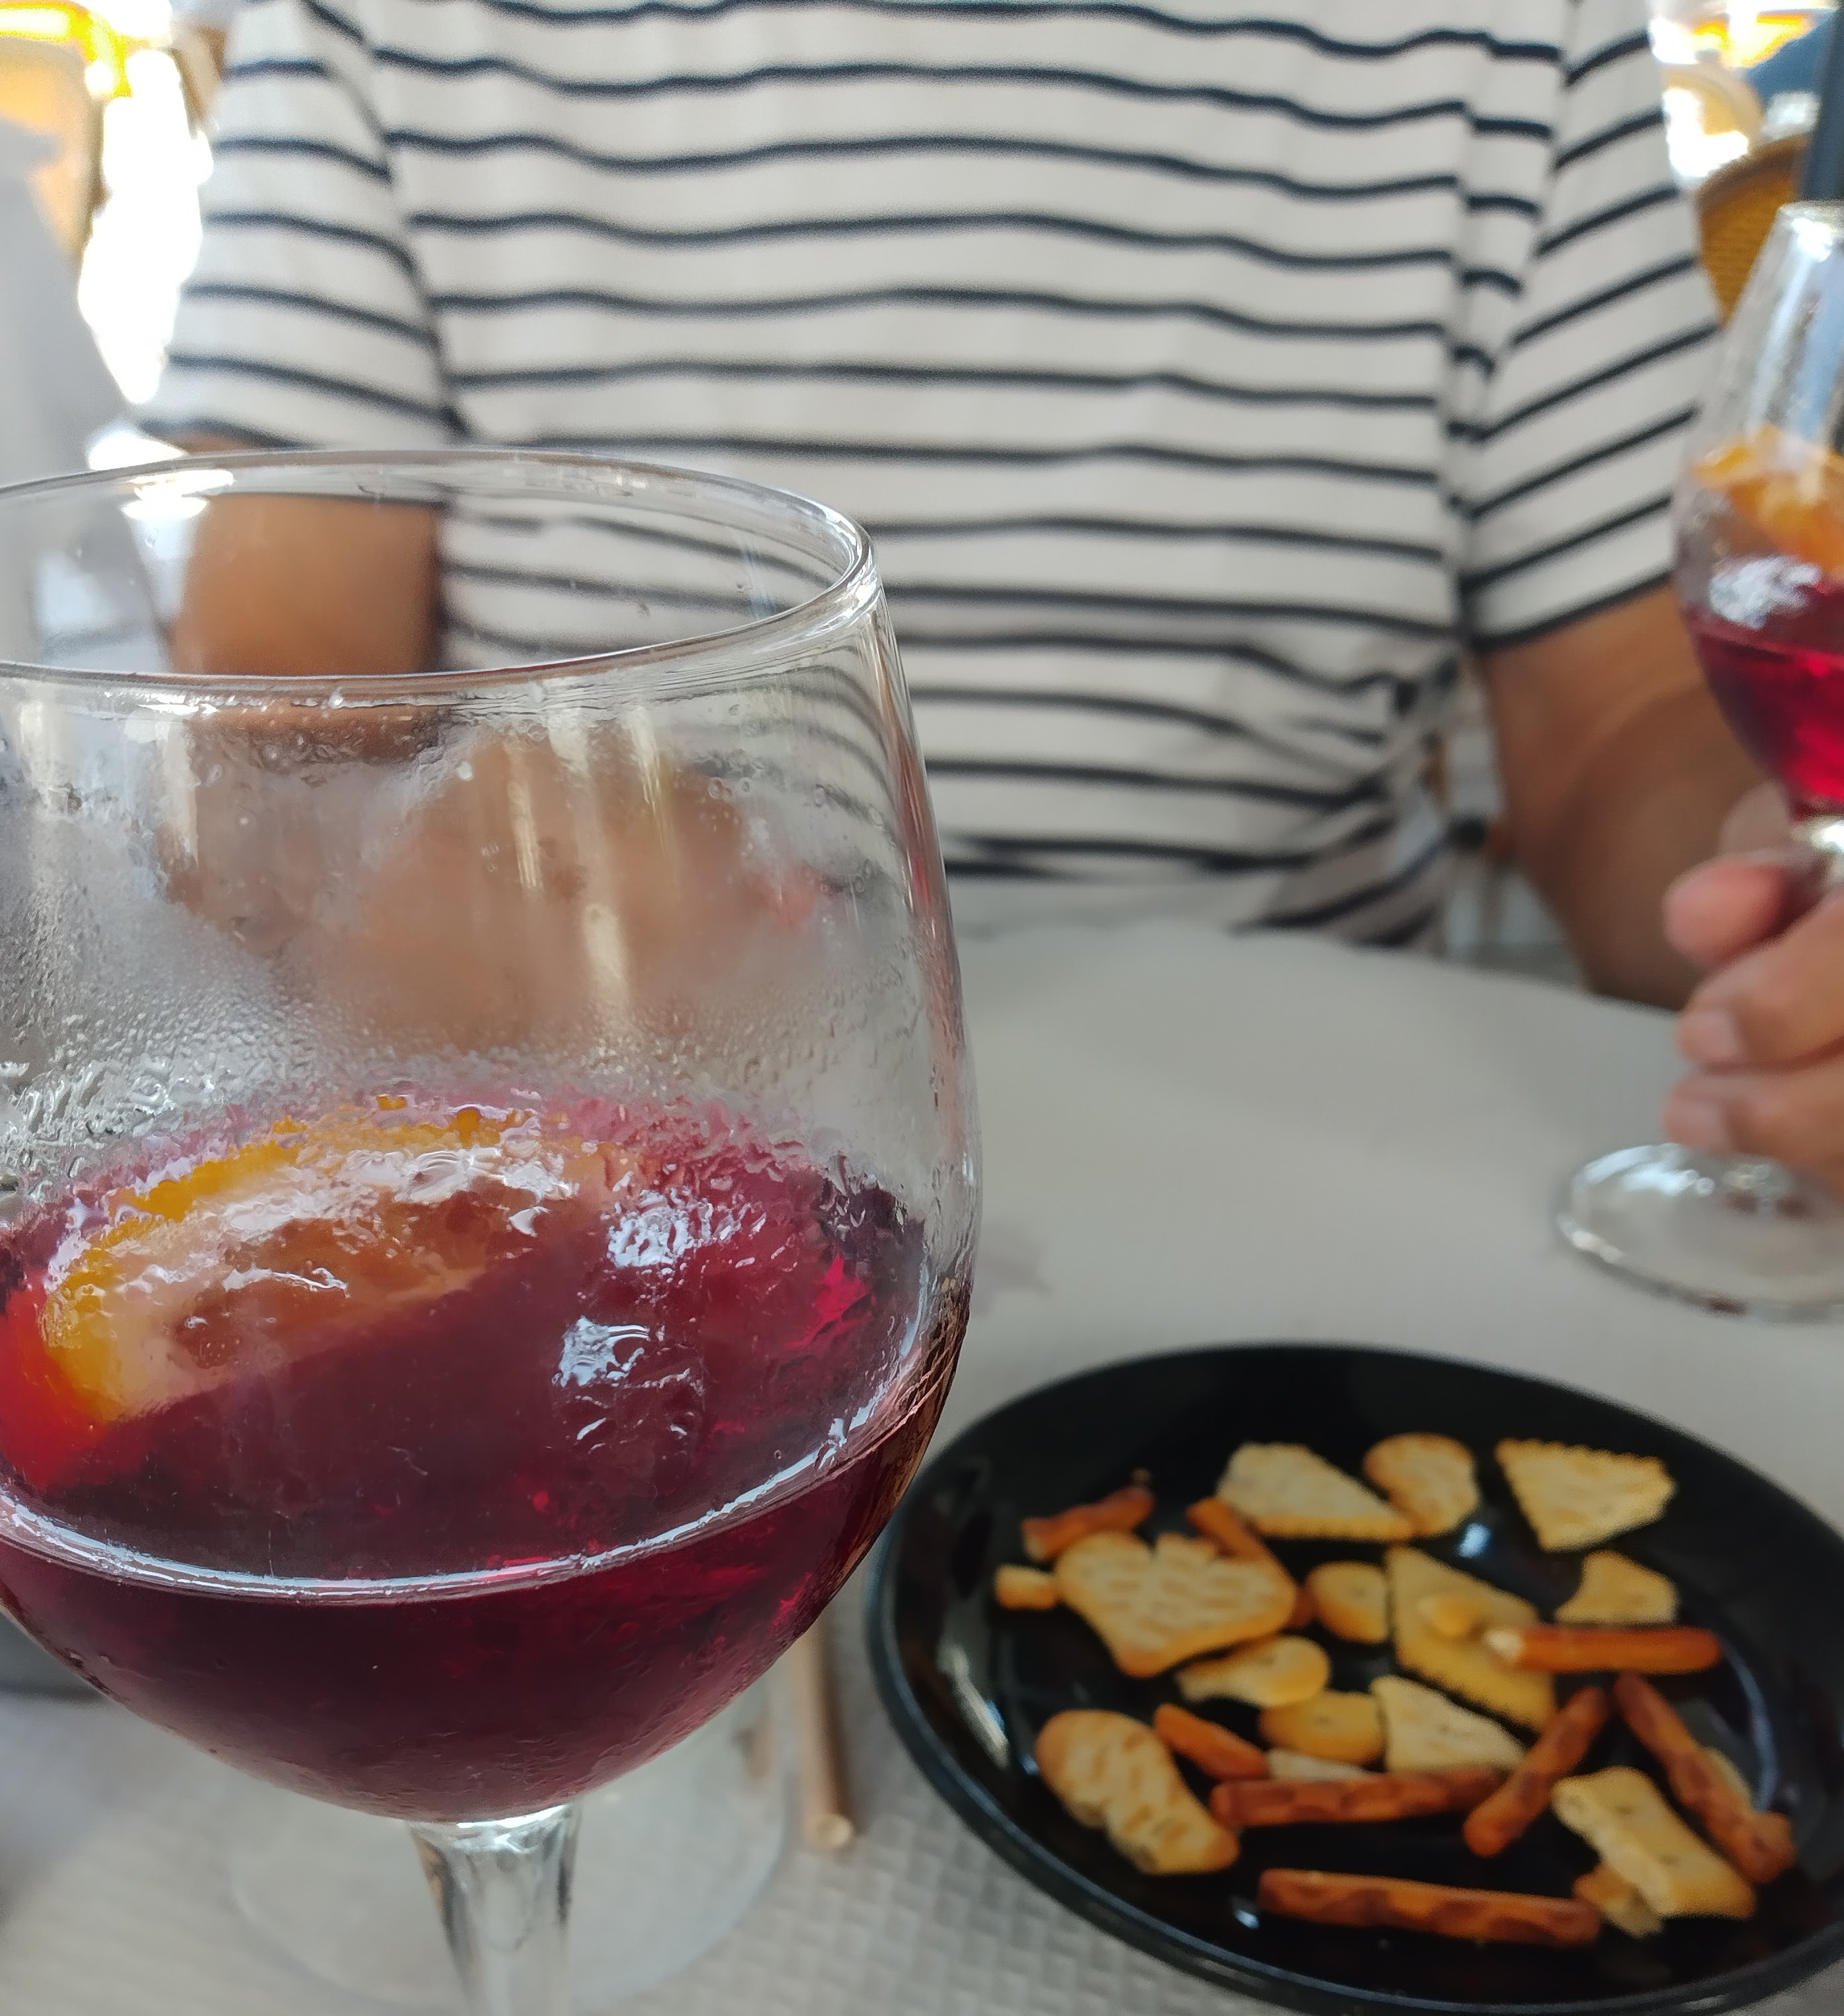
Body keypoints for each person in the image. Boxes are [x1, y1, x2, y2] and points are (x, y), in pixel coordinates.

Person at [139, 0, 1844, 1185]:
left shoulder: (1512, 33)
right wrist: (413, 854)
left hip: (1308, 1152)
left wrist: (1779, 909)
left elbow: (1629, 720)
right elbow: (256, 703)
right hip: (582, 1132)